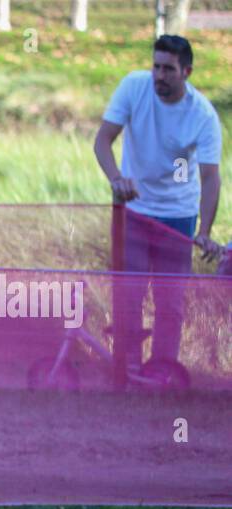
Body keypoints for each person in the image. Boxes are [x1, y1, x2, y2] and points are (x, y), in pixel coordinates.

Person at [93, 35, 222, 377]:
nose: (159, 76)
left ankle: (163, 374)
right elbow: (103, 140)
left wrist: (204, 231)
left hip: (178, 216)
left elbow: (210, 178)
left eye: (168, 69)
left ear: (187, 72)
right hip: (132, 211)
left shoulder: (203, 116)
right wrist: (116, 178)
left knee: (170, 303)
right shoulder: (133, 87)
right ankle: (127, 370)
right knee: (128, 294)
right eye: (156, 66)